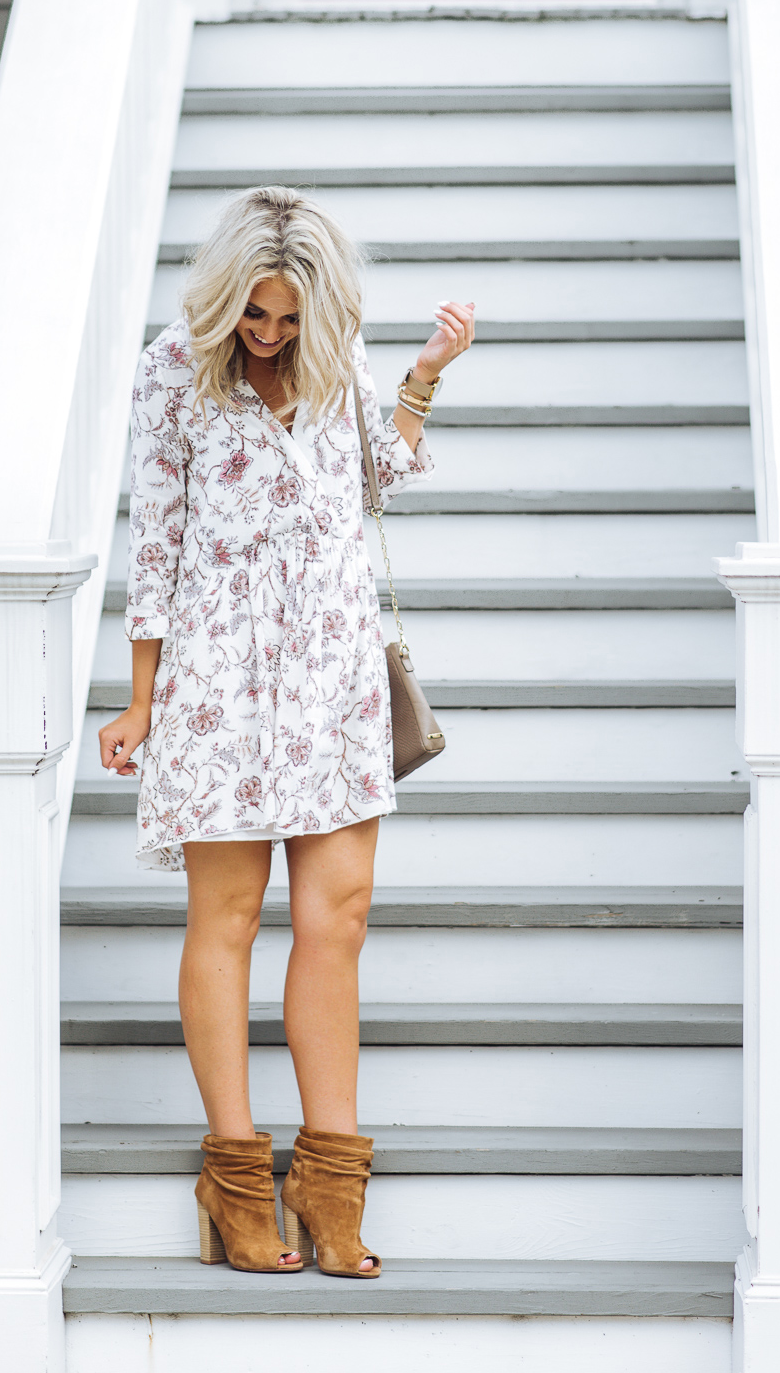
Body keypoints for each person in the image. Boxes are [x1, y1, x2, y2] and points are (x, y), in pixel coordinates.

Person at [99, 186, 475, 1278]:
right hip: (217, 677)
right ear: (223, 301)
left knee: (338, 916)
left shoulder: (334, 352)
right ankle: (232, 1178)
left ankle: (328, 1178)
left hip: (331, 669)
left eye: (284, 318)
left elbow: (380, 475)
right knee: (225, 916)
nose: (266, 334)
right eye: (251, 316)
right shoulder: (175, 368)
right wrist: (139, 697)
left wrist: (423, 378)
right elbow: (155, 540)